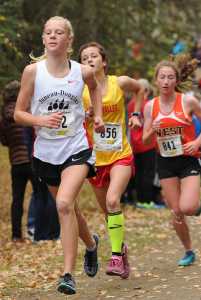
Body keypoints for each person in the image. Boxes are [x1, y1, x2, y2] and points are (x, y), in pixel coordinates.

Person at [14, 16, 104, 295]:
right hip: (45, 154)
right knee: (70, 209)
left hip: (76, 148)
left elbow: (95, 88)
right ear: (43, 40)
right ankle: (91, 245)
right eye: (48, 33)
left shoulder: (82, 71)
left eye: (59, 32)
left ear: (69, 40)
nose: (52, 36)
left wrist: (98, 115)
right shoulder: (32, 72)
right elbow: (18, 113)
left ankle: (67, 274)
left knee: (64, 204)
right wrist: (40, 121)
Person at [78, 41, 143, 278]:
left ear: (103, 61)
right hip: (96, 160)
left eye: (93, 56)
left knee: (113, 201)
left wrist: (136, 114)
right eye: (84, 59)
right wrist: (82, 116)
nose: (89, 61)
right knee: (108, 213)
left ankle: (115, 257)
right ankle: (122, 249)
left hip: (120, 155)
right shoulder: (79, 90)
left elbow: (141, 89)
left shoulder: (120, 82)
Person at [143, 56, 201, 266]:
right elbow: (145, 140)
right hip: (165, 161)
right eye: (162, 77)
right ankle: (188, 250)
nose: (166, 81)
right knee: (177, 212)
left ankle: (196, 206)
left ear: (176, 80)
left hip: (188, 158)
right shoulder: (150, 106)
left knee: (188, 207)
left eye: (170, 77)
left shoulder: (187, 101)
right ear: (156, 80)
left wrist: (198, 142)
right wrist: (153, 130)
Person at [0, 80, 38, 242]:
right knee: (40, 195)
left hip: (16, 162)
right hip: (32, 159)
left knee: (17, 199)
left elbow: (4, 141)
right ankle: (38, 229)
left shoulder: (3, 118)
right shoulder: (24, 111)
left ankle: (16, 235)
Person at [127, 78, 164, 209]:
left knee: (138, 173)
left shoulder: (131, 104)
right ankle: (146, 201)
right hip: (147, 143)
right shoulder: (148, 104)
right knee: (148, 173)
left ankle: (139, 200)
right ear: (146, 91)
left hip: (134, 145)